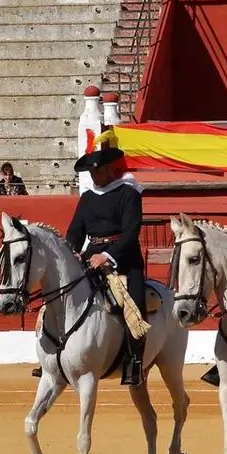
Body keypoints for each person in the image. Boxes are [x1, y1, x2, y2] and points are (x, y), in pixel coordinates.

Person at [62, 131, 148, 386]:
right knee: (62, 293)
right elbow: (75, 231)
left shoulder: (128, 193)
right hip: (90, 256)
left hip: (124, 257)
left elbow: (131, 232)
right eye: (90, 173)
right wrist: (72, 251)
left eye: (97, 172)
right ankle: (56, 354)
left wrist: (107, 255)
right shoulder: (88, 198)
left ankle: (135, 361)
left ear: (110, 170)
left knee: (136, 303)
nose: (93, 177)